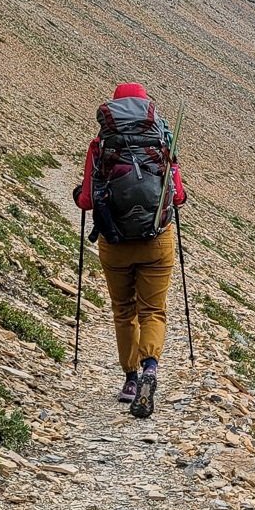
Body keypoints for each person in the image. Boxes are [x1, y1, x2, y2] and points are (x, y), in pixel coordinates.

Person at [73, 82, 186, 418]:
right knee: (153, 310)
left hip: (115, 242)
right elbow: (177, 196)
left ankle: (131, 380)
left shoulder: (101, 145)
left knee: (124, 310)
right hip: (156, 241)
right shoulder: (162, 142)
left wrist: (80, 191)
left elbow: (86, 200)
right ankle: (151, 367)